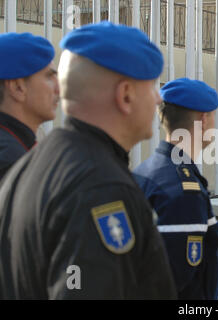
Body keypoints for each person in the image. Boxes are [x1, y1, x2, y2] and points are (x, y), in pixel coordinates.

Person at [0, 22, 176, 299]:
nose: (157, 99)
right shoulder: (101, 188)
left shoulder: (30, 165)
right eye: (152, 85)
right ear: (125, 95)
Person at [134, 78, 218, 300]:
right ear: (204, 119)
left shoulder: (144, 171)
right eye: (213, 116)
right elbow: (175, 281)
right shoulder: (184, 190)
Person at [0, 32, 59, 180]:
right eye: (49, 77)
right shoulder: (12, 163)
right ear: (17, 88)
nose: (58, 88)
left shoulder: (16, 145)